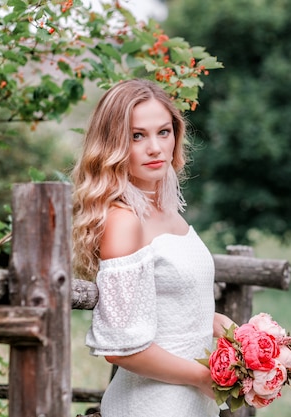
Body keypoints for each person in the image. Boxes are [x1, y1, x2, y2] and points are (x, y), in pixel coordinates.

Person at [71, 78, 234, 417]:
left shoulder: (167, 209)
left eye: (163, 132)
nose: (156, 148)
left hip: (191, 403)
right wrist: (204, 377)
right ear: (113, 144)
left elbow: (170, 308)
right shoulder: (123, 220)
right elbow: (121, 349)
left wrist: (222, 327)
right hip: (154, 405)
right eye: (137, 136)